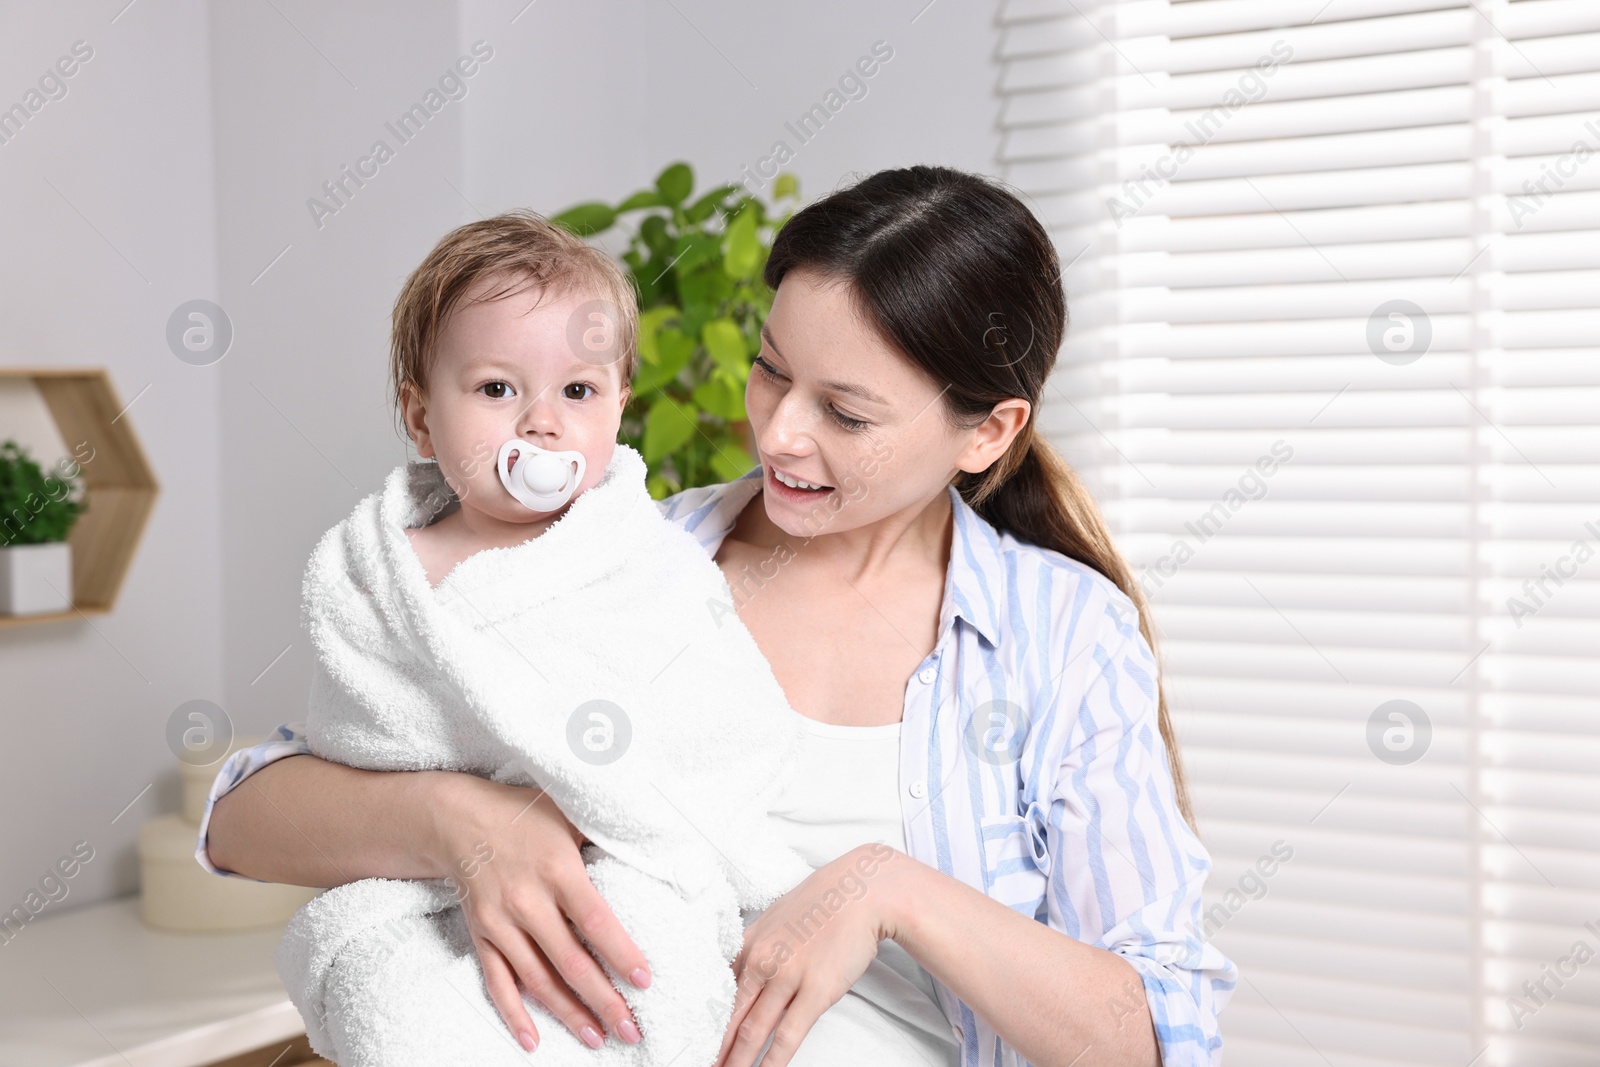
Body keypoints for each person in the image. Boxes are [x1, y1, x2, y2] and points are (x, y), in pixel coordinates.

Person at [201, 164, 1236, 1067]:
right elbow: (244, 815)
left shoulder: (1060, 637)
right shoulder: (623, 559)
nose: (780, 432)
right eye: (772, 370)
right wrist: (457, 823)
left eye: (845, 411)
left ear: (987, 431)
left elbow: (1153, 1031)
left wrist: (888, 890)